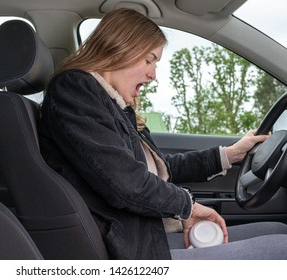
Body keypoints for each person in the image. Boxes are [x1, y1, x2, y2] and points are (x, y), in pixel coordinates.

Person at [38, 8, 287, 259]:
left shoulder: (115, 106)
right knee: (281, 249)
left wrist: (230, 154)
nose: (153, 75)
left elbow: (162, 168)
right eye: (149, 60)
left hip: (148, 233)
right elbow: (127, 183)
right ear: (118, 49)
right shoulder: (75, 90)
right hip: (132, 250)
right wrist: (187, 207)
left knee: (278, 230)